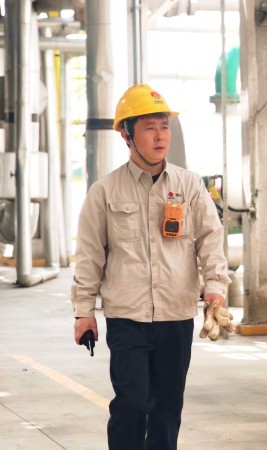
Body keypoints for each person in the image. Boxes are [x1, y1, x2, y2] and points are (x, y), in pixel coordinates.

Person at [71, 84, 231, 450]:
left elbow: (210, 239)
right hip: (128, 317)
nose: (160, 136)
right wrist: (84, 311)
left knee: (167, 409)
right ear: (127, 135)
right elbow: (90, 255)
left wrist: (215, 289)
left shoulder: (190, 185)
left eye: (164, 126)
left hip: (176, 315)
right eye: (150, 128)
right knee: (132, 403)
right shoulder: (105, 192)